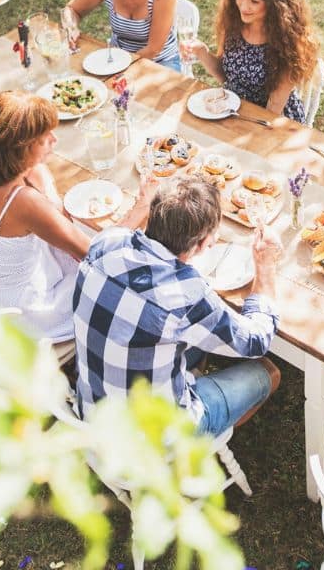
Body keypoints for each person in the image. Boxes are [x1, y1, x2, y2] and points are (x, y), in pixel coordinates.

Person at [72, 175, 283, 436]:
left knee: (189, 341)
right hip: (148, 447)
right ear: (206, 243)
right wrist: (266, 264)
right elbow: (256, 341)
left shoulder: (105, 243)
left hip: (92, 418)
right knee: (266, 371)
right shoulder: (187, 295)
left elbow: (122, 233)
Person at [0, 91, 153, 341]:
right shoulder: (22, 202)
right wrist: (142, 206)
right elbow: (98, 257)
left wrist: (37, 171)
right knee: (119, 275)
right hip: (24, 316)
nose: (54, 139)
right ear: (21, 148)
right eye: (45, 138)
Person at [182, 0, 320, 124]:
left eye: (254, 1)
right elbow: (228, 76)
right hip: (234, 111)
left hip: (271, 122)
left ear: (275, 4)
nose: (244, 7)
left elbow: (273, 109)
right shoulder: (234, 23)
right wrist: (202, 52)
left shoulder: (288, 41)